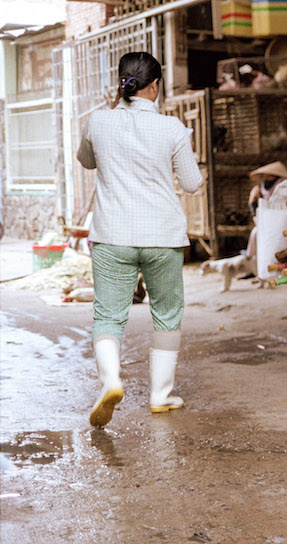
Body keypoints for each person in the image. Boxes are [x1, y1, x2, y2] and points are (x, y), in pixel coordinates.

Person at [77, 51, 202, 427]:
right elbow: (194, 184)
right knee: (166, 314)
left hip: (113, 236)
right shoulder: (173, 129)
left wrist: (110, 111)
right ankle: (161, 395)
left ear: (122, 85)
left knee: (108, 315)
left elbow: (86, 160)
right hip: (162, 236)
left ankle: (111, 381)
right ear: (155, 86)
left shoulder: (98, 121)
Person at [245, 161, 287, 281]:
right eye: (264, 176)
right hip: (269, 222)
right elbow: (257, 207)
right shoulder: (261, 188)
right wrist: (253, 199)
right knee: (256, 235)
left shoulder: (284, 186)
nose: (266, 178)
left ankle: (284, 268)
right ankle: (253, 266)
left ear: (276, 176)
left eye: (269, 176)